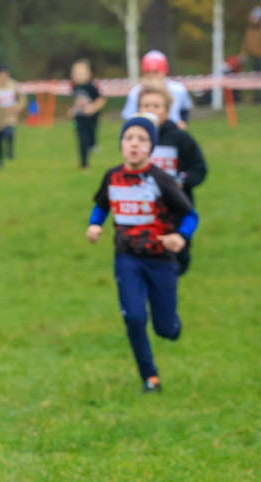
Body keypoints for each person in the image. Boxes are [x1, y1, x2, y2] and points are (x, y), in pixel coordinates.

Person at [86, 113, 199, 393]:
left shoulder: (160, 179)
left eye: (142, 139)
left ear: (152, 146)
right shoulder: (112, 177)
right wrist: (94, 225)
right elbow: (102, 205)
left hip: (161, 260)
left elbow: (190, 215)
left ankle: (172, 324)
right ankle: (150, 377)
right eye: (129, 138)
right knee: (134, 317)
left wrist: (180, 237)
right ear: (121, 143)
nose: (134, 144)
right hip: (127, 258)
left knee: (164, 329)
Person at [138, 85, 208, 275]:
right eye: (146, 105)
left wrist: (182, 181)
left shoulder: (181, 138)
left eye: (156, 106)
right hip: (146, 208)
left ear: (167, 110)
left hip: (177, 206)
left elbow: (199, 169)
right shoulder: (136, 139)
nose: (151, 110)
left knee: (179, 258)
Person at [121, 51, 193, 126]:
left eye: (156, 72)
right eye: (148, 72)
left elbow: (184, 109)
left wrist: (183, 123)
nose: (152, 76)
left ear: (164, 71)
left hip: (171, 128)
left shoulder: (178, 89)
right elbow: (129, 117)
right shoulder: (136, 92)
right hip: (146, 129)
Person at [68, 59, 107, 171]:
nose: (79, 76)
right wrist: (72, 110)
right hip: (79, 118)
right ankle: (84, 164)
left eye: (81, 73)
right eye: (77, 73)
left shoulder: (92, 86)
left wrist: (92, 108)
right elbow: (77, 102)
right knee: (82, 140)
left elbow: (101, 100)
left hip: (92, 118)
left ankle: (93, 143)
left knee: (91, 135)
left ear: (88, 74)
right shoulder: (74, 87)